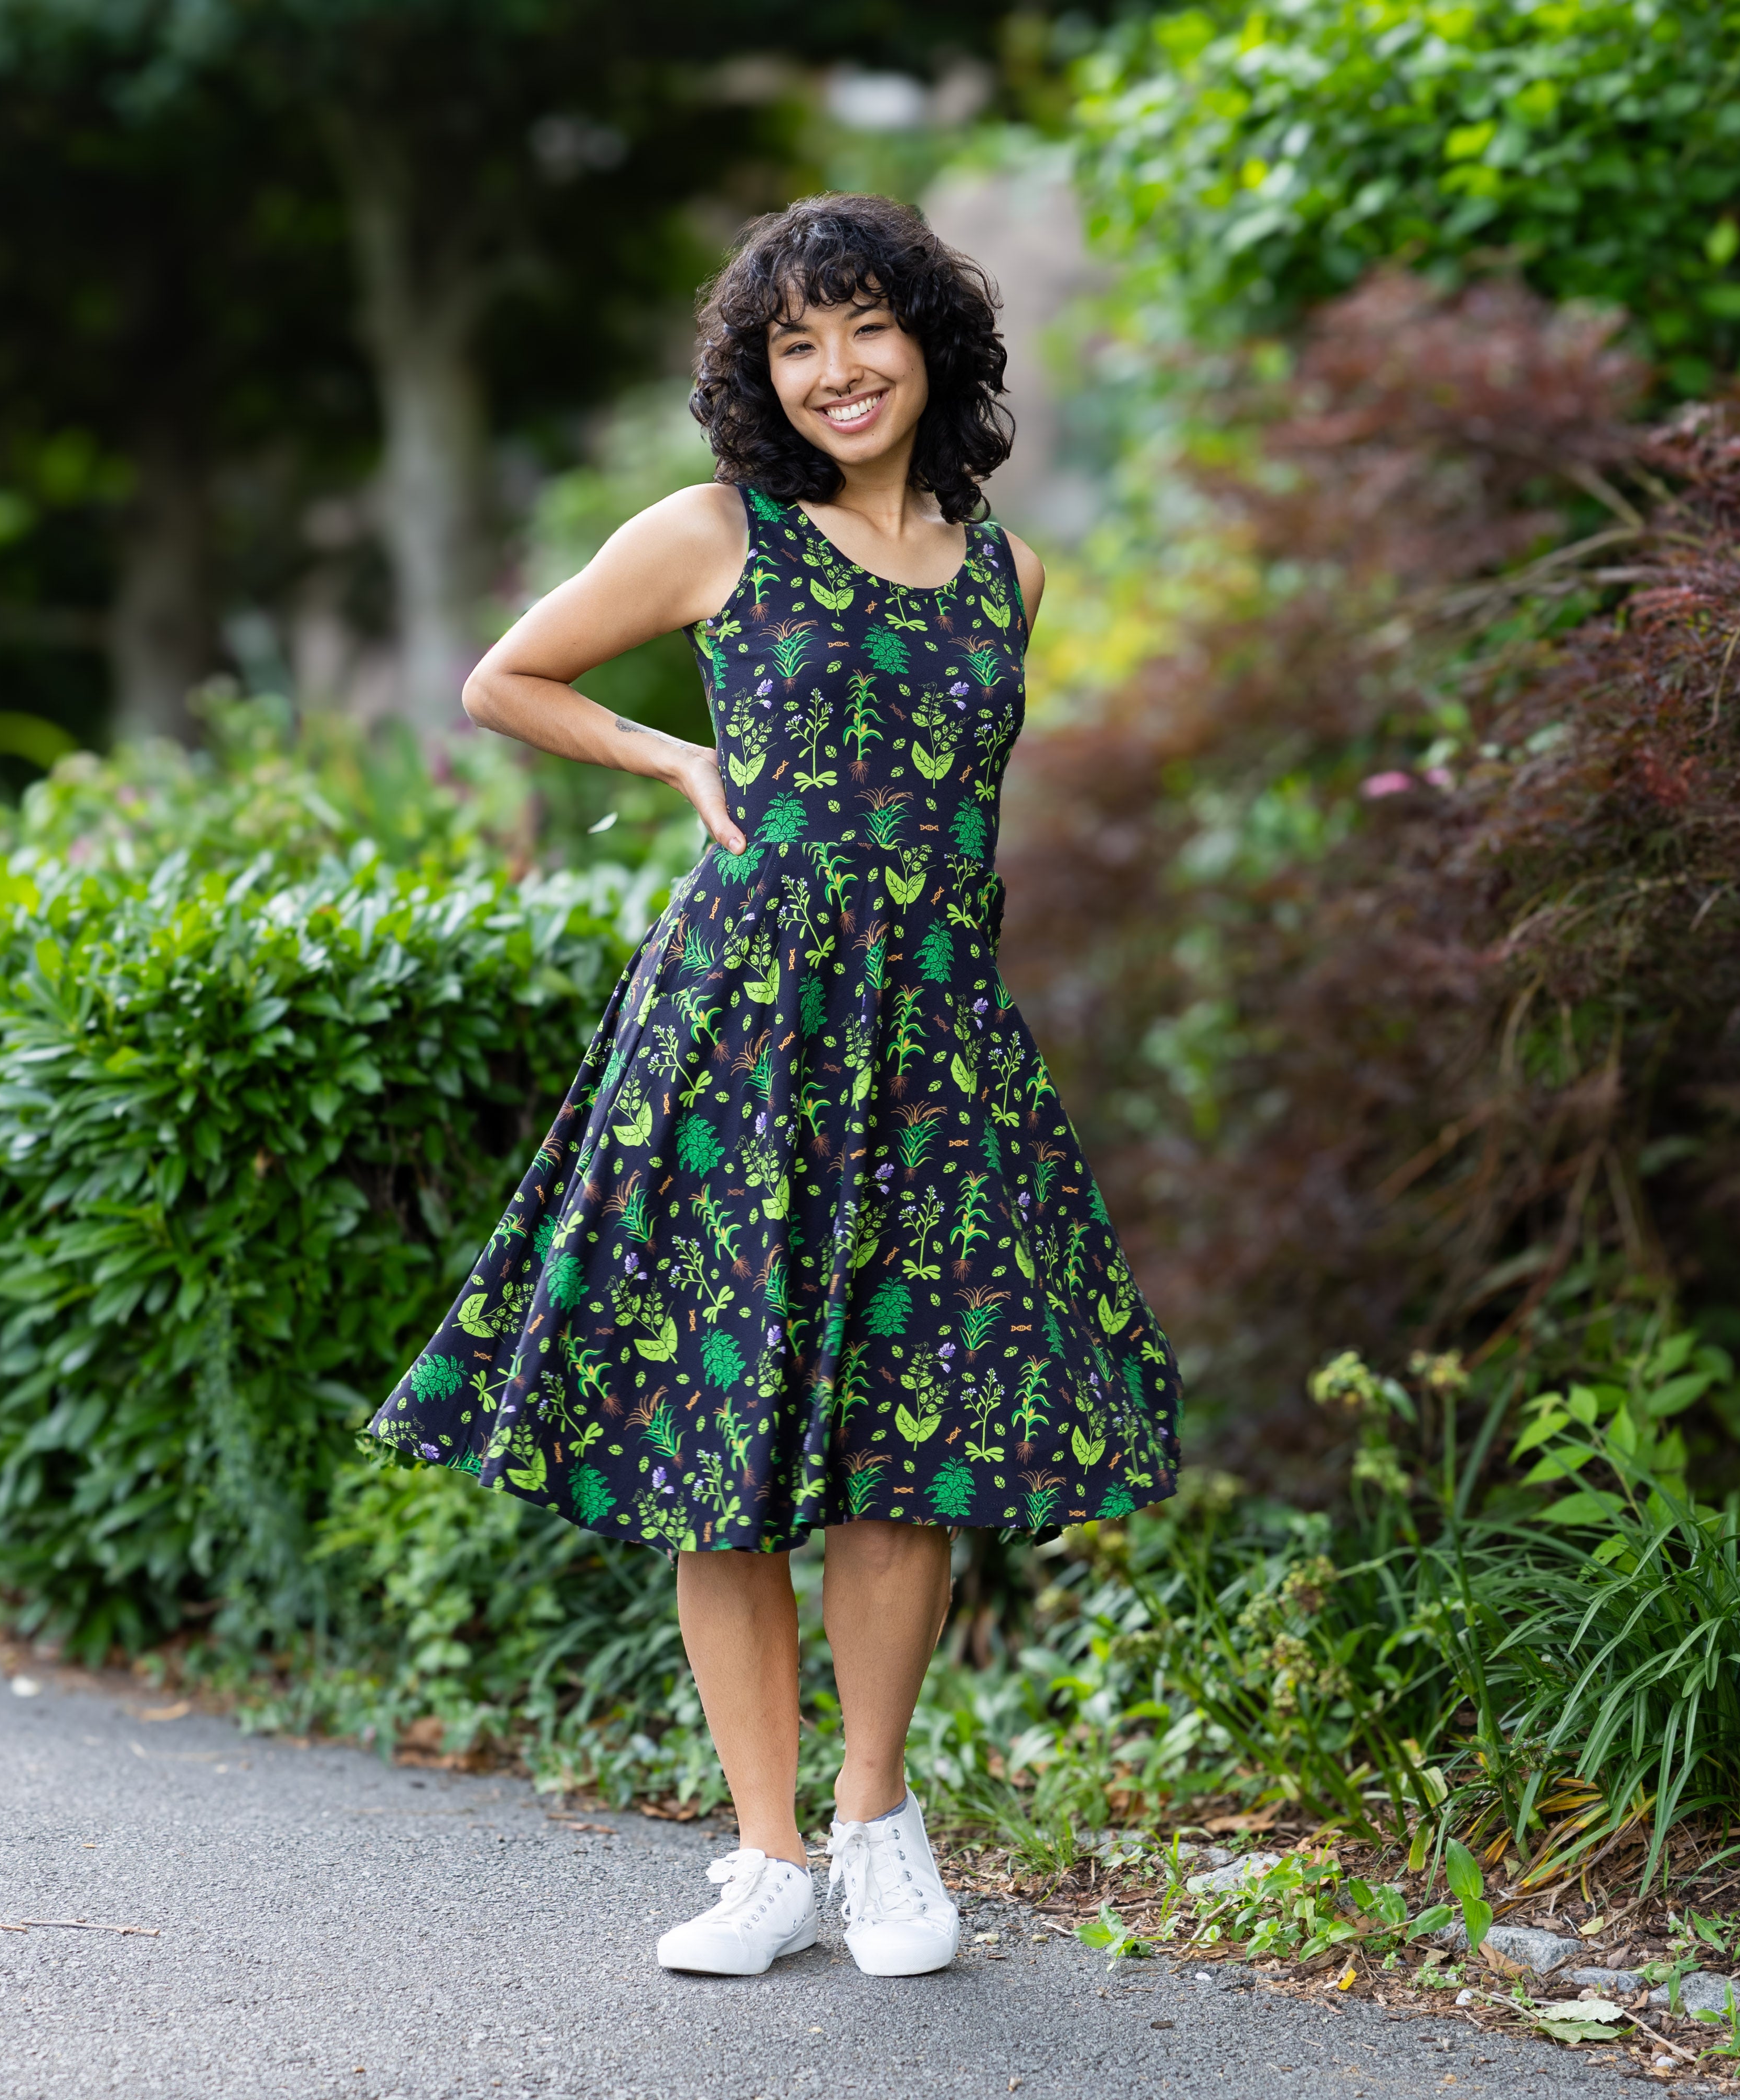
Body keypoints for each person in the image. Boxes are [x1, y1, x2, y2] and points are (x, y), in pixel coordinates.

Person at [367, 193, 1181, 1980]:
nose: (836, 371)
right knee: (715, 1443)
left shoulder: (1012, 573)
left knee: (909, 1447)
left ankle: (878, 1829)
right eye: (795, 343)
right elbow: (506, 681)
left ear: (931, 343)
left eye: (866, 328)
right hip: (741, 1035)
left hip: (936, 1051)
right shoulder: (716, 531)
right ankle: (766, 1859)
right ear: (762, 372)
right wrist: (671, 755)